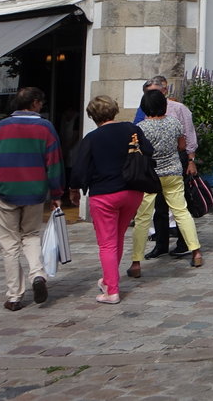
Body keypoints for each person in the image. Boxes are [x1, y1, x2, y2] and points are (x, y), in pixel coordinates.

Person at [0, 86, 64, 311]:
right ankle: (37, 274)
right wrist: (56, 193)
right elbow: (54, 163)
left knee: (10, 244)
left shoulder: (1, 127)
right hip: (34, 192)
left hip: (5, 192)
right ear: (35, 103)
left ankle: (14, 295)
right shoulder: (46, 128)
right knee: (31, 234)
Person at [68, 95, 152, 303]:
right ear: (114, 110)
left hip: (104, 194)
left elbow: (79, 168)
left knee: (107, 243)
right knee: (118, 237)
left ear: (92, 115)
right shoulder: (132, 129)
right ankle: (108, 278)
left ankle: (111, 290)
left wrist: (74, 189)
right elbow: (149, 152)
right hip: (132, 191)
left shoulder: (92, 138)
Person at [127, 89, 203, 276]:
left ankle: (136, 262)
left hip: (150, 176)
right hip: (173, 173)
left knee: (143, 218)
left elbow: (138, 152)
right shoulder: (174, 122)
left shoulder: (142, 128)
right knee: (181, 212)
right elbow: (182, 146)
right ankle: (196, 252)